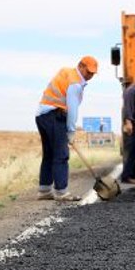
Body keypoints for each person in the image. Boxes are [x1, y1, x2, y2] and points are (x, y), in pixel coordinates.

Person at [35, 56, 97, 201]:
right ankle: (61, 192)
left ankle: (44, 191)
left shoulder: (66, 72)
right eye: (88, 72)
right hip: (54, 116)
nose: (90, 76)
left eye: (93, 74)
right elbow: (72, 109)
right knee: (61, 155)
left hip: (42, 116)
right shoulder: (75, 83)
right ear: (81, 66)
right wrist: (71, 131)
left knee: (49, 154)